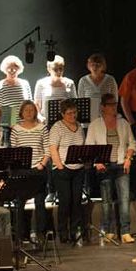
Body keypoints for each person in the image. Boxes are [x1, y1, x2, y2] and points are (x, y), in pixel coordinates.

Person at [85, 93, 136, 244]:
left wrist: (128, 159)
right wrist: (97, 162)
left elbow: (132, 143)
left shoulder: (123, 123)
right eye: (110, 105)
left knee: (124, 199)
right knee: (107, 201)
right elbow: (89, 146)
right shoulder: (95, 125)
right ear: (103, 107)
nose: (114, 107)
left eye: (115, 104)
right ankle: (109, 231)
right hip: (105, 167)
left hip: (121, 165)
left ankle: (125, 231)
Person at [10, 100, 51, 243]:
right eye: (26, 110)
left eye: (31, 110)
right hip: (22, 170)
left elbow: (47, 149)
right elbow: (13, 150)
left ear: (35, 112)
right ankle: (20, 236)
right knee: (19, 203)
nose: (28, 113)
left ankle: (41, 234)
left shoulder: (42, 128)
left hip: (38, 169)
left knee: (40, 202)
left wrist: (42, 164)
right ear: (21, 112)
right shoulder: (16, 128)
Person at [48, 100, 86, 244]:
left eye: (74, 112)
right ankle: (62, 232)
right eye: (69, 113)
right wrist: (60, 166)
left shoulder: (80, 127)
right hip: (62, 169)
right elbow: (53, 148)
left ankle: (74, 230)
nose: (73, 116)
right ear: (62, 114)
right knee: (65, 202)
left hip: (78, 169)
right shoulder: (57, 127)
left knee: (76, 201)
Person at [34, 55, 77, 120]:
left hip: (66, 120)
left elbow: (74, 103)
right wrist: (39, 117)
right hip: (47, 120)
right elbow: (37, 104)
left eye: (61, 69)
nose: (59, 72)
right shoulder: (41, 83)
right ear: (49, 69)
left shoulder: (70, 83)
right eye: (55, 69)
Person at [77, 53, 118, 119]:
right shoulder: (83, 80)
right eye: (92, 65)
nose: (95, 68)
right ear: (88, 66)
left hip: (106, 116)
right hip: (89, 117)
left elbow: (115, 99)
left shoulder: (110, 80)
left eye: (98, 65)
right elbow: (80, 101)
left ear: (103, 66)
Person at [0, 55, 32, 120]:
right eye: (9, 68)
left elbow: (30, 104)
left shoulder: (25, 84)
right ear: (5, 69)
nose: (12, 70)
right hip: (7, 124)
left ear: (19, 69)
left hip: (24, 122)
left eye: (15, 68)